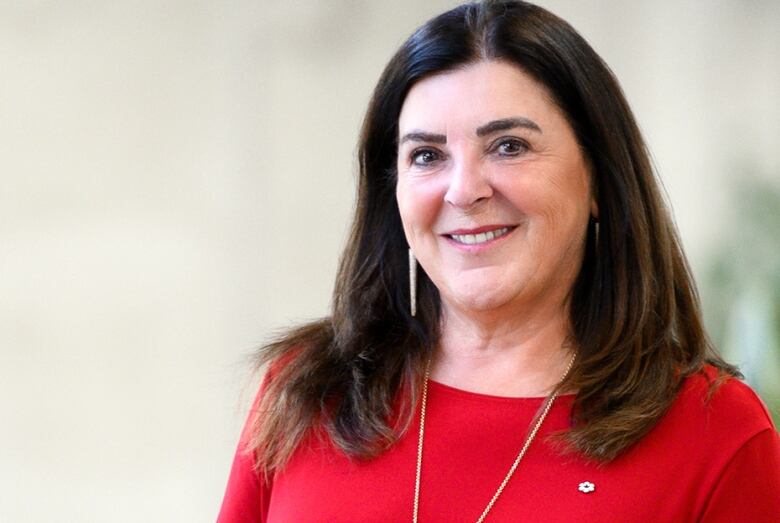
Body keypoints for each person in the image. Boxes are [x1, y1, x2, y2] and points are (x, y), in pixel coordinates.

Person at [218, 1, 780, 521]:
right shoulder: (305, 391)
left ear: (599, 181)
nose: (463, 190)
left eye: (508, 145)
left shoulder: (716, 433)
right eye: (427, 155)